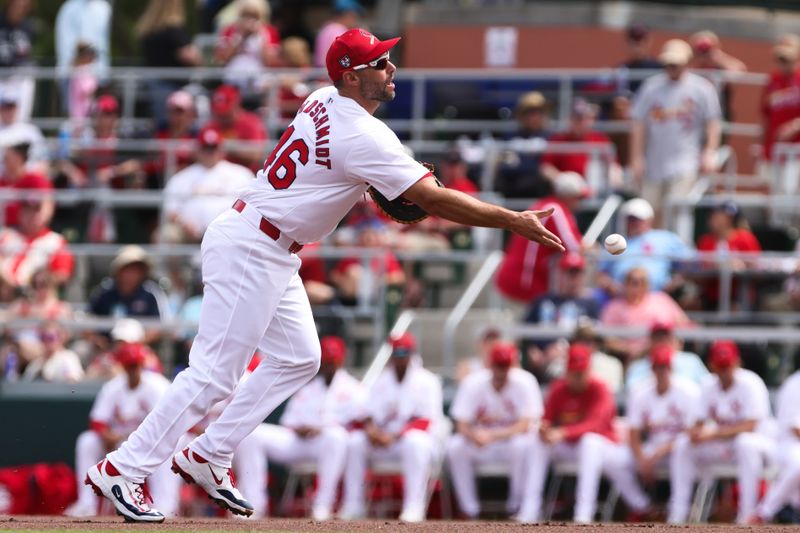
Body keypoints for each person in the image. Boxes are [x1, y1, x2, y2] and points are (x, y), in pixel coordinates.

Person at [84, 28, 564, 523]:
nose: (390, 67)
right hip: (254, 243)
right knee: (213, 375)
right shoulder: (362, 133)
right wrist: (512, 220)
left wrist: (384, 183)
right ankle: (123, 467)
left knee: (298, 357)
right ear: (352, 76)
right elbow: (431, 199)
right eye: (379, 62)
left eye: (387, 59)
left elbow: (347, 172)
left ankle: (209, 453)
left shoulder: (323, 98)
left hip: (269, 242)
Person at [514, 342, 649, 523]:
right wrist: (544, 430)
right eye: (574, 372)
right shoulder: (559, 387)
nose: (578, 377)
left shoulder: (600, 387)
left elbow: (596, 425)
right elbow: (546, 418)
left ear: (589, 369)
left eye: (581, 372)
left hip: (603, 446)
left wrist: (562, 432)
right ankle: (529, 510)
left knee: (590, 442)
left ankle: (583, 515)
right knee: (536, 442)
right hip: (569, 447)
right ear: (567, 371)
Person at [234, 336, 363, 520]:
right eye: (326, 361)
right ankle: (253, 504)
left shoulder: (353, 388)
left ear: (341, 360)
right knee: (252, 435)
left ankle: (322, 506)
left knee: (336, 436)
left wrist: (323, 428)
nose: (329, 365)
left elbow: (358, 423)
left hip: (327, 443)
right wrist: (300, 428)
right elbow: (289, 419)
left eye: (333, 361)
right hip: (299, 441)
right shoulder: (309, 388)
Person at [64, 343, 177, 518]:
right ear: (123, 366)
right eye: (129, 365)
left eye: (136, 364)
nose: (133, 369)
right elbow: (97, 421)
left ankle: (165, 504)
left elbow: (166, 423)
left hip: (149, 443)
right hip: (119, 442)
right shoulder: (113, 387)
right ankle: (86, 504)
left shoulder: (157, 385)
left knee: (167, 446)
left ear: (142, 364)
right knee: (87, 441)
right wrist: (106, 435)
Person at [341, 333, 443, 523]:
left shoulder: (428, 380)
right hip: (384, 442)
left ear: (412, 353)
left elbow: (427, 421)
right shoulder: (381, 381)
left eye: (404, 352)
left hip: (415, 443)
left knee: (415, 442)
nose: (400, 356)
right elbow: (366, 414)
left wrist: (394, 436)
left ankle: (414, 507)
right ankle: (353, 505)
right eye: (396, 352)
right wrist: (371, 430)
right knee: (355, 442)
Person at [669, 340, 775, 524]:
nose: (725, 370)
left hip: (761, 445)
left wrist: (712, 434)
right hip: (725, 446)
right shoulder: (707, 385)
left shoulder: (751, 383)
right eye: (721, 366)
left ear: (737, 362)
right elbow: (696, 421)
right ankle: (678, 514)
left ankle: (747, 515)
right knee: (682, 445)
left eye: (728, 365)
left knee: (745, 442)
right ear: (712, 365)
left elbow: (751, 426)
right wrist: (694, 432)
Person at [630, 39, 722, 220]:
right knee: (650, 212)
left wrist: (709, 151)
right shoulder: (651, 87)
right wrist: (636, 157)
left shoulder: (701, 88)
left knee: (678, 212)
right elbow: (639, 123)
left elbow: (713, 122)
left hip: (685, 160)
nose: (672, 67)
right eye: (669, 64)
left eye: (676, 64)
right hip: (654, 162)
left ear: (687, 62)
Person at [447, 342, 542, 519]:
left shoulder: (525, 381)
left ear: (512, 365)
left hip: (509, 443)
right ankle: (469, 509)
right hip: (481, 443)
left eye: (505, 366)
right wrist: (474, 435)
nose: (501, 370)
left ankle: (517, 505)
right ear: (490, 364)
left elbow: (526, 424)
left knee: (524, 444)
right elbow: (461, 423)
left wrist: (493, 435)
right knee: (456, 446)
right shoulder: (473, 382)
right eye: (498, 365)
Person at [607, 344, 701, 521]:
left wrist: (660, 452)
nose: (661, 371)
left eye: (664, 367)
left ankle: (678, 513)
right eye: (658, 367)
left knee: (682, 448)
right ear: (652, 369)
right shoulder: (641, 392)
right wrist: (642, 459)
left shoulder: (688, 391)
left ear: (671, 368)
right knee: (614, 460)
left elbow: (692, 432)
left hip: (679, 448)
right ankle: (642, 506)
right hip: (653, 448)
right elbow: (633, 432)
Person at [495, 171, 585, 305]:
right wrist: (595, 249)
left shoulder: (543, 205)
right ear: (567, 195)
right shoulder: (554, 210)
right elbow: (575, 247)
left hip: (516, 281)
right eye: (578, 198)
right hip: (525, 284)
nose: (580, 203)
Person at [160, 127, 255, 244]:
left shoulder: (240, 174)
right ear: (198, 150)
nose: (209, 153)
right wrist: (184, 223)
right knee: (167, 234)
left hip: (229, 232)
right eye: (206, 148)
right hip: (189, 233)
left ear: (221, 149)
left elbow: (252, 206)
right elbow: (170, 209)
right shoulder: (181, 177)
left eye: (213, 148)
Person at [522, 253, 602, 385]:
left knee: (560, 369)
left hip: (577, 358)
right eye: (569, 273)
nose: (573, 278)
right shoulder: (541, 301)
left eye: (577, 273)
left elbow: (594, 338)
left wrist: (568, 353)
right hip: (543, 358)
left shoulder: (590, 304)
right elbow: (525, 332)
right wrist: (533, 350)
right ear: (560, 274)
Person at [596, 197, 694, 297]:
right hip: (621, 300)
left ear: (650, 220)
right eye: (631, 218)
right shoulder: (614, 241)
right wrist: (612, 288)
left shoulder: (666, 238)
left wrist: (674, 283)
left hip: (657, 298)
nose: (634, 222)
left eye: (638, 219)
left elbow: (689, 262)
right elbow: (602, 274)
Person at [601, 267, 691, 362]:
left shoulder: (662, 299)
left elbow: (683, 322)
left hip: (665, 355)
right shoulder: (614, 307)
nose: (638, 286)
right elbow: (607, 339)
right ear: (625, 284)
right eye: (634, 282)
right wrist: (631, 350)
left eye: (642, 282)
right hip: (628, 359)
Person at [135, 0, 202, 125]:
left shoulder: (147, 30)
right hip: (170, 87)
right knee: (170, 126)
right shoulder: (173, 30)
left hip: (152, 86)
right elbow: (189, 56)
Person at [750, 369, 800, 523]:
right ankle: (763, 512)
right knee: (798, 464)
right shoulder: (795, 383)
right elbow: (796, 428)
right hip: (789, 443)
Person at [540, 98, 622, 192]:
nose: (581, 122)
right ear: (570, 119)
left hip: (595, 190)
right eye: (577, 118)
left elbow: (614, 165)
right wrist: (563, 180)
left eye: (585, 118)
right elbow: (546, 168)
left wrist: (614, 178)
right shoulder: (558, 139)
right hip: (567, 192)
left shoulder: (600, 139)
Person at [696, 200, 761, 310]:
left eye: (722, 216)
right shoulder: (706, 240)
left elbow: (757, 267)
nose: (716, 219)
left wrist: (741, 265)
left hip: (739, 295)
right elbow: (698, 270)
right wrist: (715, 265)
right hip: (710, 295)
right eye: (716, 215)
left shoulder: (745, 237)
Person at [0, 198, 74, 289]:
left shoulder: (55, 241)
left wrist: (38, 282)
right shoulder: (6, 236)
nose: (31, 216)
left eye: (35, 211)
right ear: (20, 213)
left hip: (36, 295)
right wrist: (8, 281)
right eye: (27, 211)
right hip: (4, 292)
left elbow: (62, 274)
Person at [215, 0, 280, 95]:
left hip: (260, 83)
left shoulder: (269, 31)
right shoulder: (229, 30)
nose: (250, 20)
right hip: (233, 81)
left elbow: (270, 62)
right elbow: (222, 59)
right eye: (246, 15)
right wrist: (239, 37)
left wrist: (260, 36)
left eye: (254, 16)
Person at [88, 245, 169, 321]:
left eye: (136, 270)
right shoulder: (105, 292)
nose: (131, 275)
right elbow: (88, 318)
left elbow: (160, 324)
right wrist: (98, 336)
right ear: (119, 271)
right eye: (128, 269)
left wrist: (142, 336)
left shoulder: (151, 293)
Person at [625, 321, 710, 390]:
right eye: (657, 337)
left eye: (665, 336)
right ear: (651, 340)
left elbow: (707, 387)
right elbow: (631, 391)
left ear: (673, 339)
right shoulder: (638, 366)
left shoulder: (691, 361)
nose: (662, 340)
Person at [55, 0, 111, 101]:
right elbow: (66, 45)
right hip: (74, 75)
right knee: (76, 114)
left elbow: (103, 43)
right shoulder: (69, 8)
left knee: (96, 111)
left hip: (98, 75)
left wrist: (102, 74)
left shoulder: (104, 8)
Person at [203, 84, 267, 171]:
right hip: (216, 175)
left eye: (226, 111)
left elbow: (256, 154)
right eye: (219, 112)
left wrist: (226, 146)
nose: (222, 115)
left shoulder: (251, 123)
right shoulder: (212, 125)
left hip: (246, 176)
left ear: (236, 104)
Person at [689, 30, 747, 122]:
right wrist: (693, 58)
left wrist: (719, 57)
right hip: (694, 113)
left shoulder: (721, 67)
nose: (704, 54)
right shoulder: (691, 65)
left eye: (706, 50)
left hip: (718, 113)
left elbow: (740, 71)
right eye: (700, 50)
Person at [761, 34, 800, 162]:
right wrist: (760, 146)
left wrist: (794, 126)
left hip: (796, 150)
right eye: (780, 59)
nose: (782, 63)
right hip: (774, 148)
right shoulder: (773, 80)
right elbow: (765, 116)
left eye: (786, 59)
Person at [0, 142, 52, 227]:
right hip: (4, 230)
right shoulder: (2, 182)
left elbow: (47, 205)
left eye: (7, 158)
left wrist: (38, 222)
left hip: (28, 230)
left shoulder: (35, 180)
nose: (4, 161)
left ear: (18, 158)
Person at [0, 0, 35, 122]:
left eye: (23, 7)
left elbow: (27, 54)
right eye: (16, 6)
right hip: (1, 77)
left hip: (19, 78)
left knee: (19, 118)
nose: (19, 10)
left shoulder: (27, 27)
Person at [0, 90, 48, 174]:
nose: (9, 111)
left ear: (17, 107)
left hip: (27, 181)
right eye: (5, 107)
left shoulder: (31, 131)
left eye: (11, 106)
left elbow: (43, 162)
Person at [313, 0, 363, 68]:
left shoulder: (326, 28)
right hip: (330, 75)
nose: (355, 19)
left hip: (321, 72)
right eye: (354, 16)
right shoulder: (340, 31)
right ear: (347, 14)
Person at [618, 24, 662, 94]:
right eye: (634, 40)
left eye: (642, 40)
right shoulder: (622, 69)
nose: (638, 44)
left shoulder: (659, 68)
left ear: (649, 41)